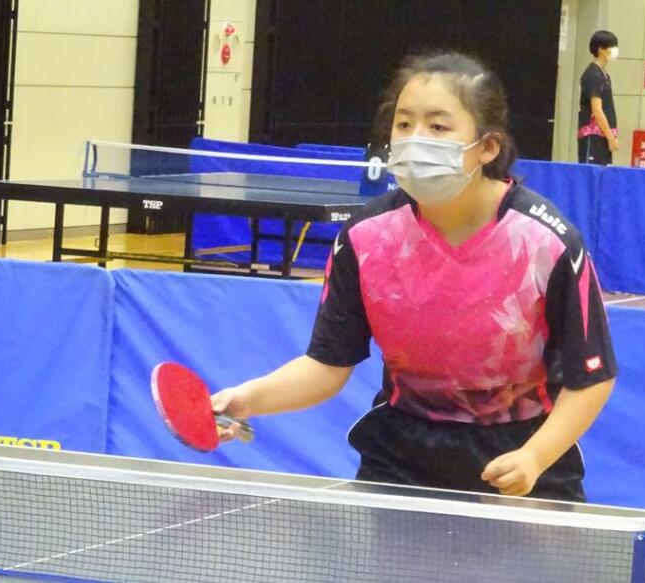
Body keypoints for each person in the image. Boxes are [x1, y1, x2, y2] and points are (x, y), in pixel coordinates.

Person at [212, 51, 617, 502]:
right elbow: (326, 365)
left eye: (438, 127)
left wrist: (535, 457)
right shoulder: (366, 237)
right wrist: (246, 399)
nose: (414, 139)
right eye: (404, 124)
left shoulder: (547, 242)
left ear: (488, 147)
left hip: (523, 461)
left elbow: (592, 376)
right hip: (401, 463)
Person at [578, 30, 620, 165]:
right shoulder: (593, 75)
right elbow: (597, 110)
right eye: (612, 47)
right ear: (602, 50)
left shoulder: (604, 75)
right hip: (593, 136)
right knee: (592, 174)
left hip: (603, 137)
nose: (615, 50)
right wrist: (611, 138)